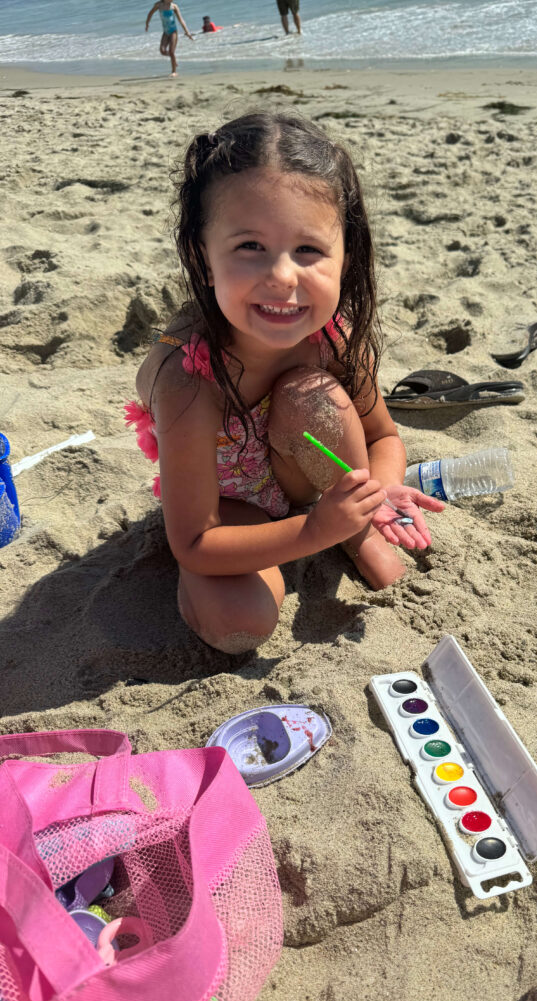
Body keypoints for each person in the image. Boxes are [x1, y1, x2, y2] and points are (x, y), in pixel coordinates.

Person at [125, 112, 444, 654]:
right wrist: (316, 531)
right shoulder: (188, 377)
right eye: (250, 246)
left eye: (309, 250)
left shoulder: (330, 336)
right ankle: (332, 535)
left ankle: (358, 530)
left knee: (311, 396)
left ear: (347, 257)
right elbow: (196, 543)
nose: (282, 276)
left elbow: (383, 439)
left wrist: (376, 492)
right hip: (228, 511)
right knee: (239, 625)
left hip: (302, 478)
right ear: (204, 258)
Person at [145, 0, 194, 78]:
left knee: (171, 51)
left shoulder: (174, 6)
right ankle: (174, 60)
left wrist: (187, 32)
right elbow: (150, 13)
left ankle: (174, 72)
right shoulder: (158, 5)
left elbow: (181, 20)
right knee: (162, 50)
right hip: (166, 32)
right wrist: (147, 23)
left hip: (173, 32)